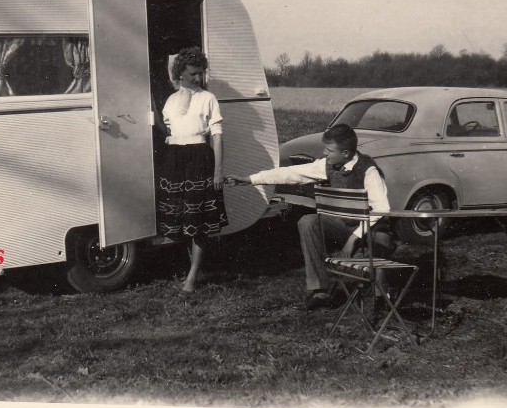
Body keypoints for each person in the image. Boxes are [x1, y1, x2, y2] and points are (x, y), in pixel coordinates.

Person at [226, 123, 393, 309]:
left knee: (381, 240)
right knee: (308, 221)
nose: (324, 153)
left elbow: (382, 208)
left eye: (329, 150)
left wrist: (354, 238)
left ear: (346, 153)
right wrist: (250, 179)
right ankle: (320, 291)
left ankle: (382, 296)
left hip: (371, 229)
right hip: (344, 225)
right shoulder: (329, 164)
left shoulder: (368, 170)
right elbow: (291, 173)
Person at [156, 47, 228, 293]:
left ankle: (192, 276)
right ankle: (193, 269)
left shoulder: (208, 99)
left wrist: (218, 171)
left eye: (201, 73)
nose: (198, 78)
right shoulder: (171, 100)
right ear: (181, 73)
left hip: (199, 159)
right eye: (193, 73)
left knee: (199, 219)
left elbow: (217, 136)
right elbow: (168, 130)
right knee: (184, 218)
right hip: (175, 160)